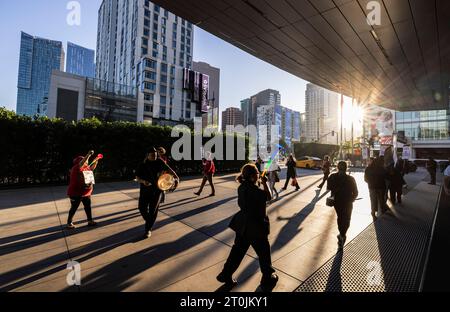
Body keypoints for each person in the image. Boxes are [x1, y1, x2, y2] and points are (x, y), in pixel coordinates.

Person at [217, 164, 278, 291]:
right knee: (264, 254)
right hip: (256, 227)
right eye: (256, 173)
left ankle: (226, 274)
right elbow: (269, 197)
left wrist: (258, 182)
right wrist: (265, 183)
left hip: (242, 226)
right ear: (251, 177)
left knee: (237, 252)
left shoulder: (241, 187)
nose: (258, 174)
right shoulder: (256, 191)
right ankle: (267, 278)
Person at [136, 147, 179, 238]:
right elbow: (137, 178)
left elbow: (170, 170)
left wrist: (177, 178)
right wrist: (144, 182)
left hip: (157, 190)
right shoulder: (142, 164)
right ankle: (149, 221)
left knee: (153, 211)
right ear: (147, 155)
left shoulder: (159, 161)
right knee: (141, 208)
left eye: (155, 155)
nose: (154, 157)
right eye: (152, 155)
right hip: (145, 190)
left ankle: (148, 230)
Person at [327, 161, 358, 249]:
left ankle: (341, 234)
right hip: (348, 202)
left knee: (340, 217)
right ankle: (342, 235)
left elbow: (328, 188)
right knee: (347, 219)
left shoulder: (332, 177)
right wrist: (352, 200)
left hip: (337, 202)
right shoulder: (351, 179)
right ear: (346, 167)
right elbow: (356, 192)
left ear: (337, 167)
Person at [66, 150, 101, 229]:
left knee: (87, 207)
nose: (86, 161)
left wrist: (96, 160)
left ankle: (90, 221)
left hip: (86, 192)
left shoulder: (86, 168)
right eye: (84, 160)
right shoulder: (76, 168)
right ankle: (69, 223)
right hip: (75, 192)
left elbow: (92, 168)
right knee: (74, 207)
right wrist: (88, 155)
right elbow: (82, 163)